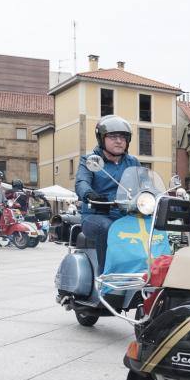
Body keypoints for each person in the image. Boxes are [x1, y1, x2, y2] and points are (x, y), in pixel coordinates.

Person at [74, 115, 141, 272]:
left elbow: (146, 185)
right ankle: (105, 275)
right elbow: (81, 182)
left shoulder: (133, 162)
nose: (119, 141)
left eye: (123, 137)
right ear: (101, 139)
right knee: (108, 228)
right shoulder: (91, 161)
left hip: (126, 214)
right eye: (113, 136)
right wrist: (89, 194)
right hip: (96, 215)